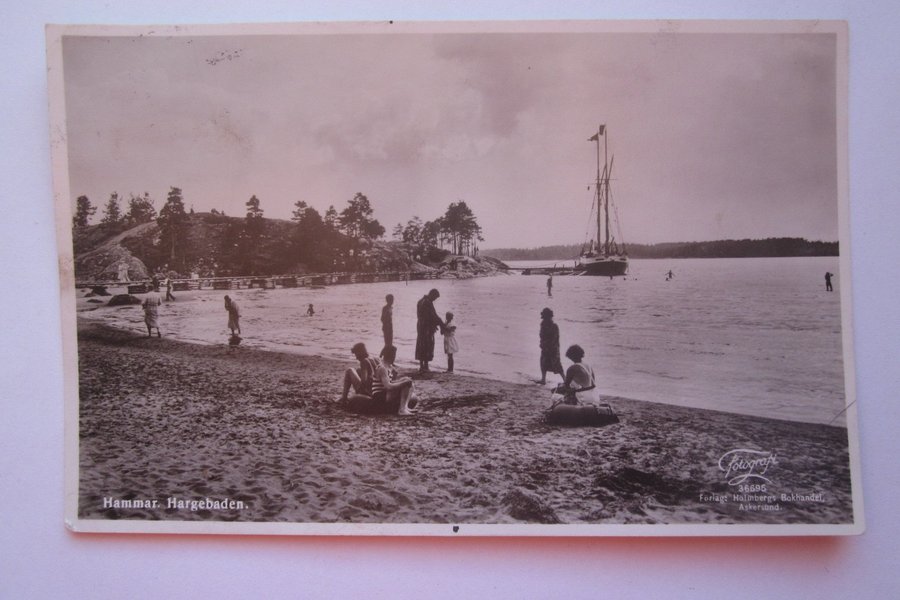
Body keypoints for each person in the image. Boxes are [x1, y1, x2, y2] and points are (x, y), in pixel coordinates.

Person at [372, 345, 417, 415]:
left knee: (408, 381)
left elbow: (390, 382)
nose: (394, 357)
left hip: (385, 392)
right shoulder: (382, 368)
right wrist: (403, 383)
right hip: (379, 396)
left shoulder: (389, 367)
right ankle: (401, 410)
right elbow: (388, 386)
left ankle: (405, 407)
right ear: (391, 355)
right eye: (394, 355)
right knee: (405, 384)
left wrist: (403, 380)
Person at [415, 288, 445, 373]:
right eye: (435, 298)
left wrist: (438, 323)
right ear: (432, 295)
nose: (435, 300)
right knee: (427, 345)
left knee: (421, 344)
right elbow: (433, 316)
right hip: (426, 327)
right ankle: (426, 366)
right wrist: (442, 324)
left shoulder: (420, 301)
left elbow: (426, 315)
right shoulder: (427, 302)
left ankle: (422, 366)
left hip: (420, 325)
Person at [538, 307, 564, 385]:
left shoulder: (554, 326)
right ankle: (543, 379)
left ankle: (565, 380)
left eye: (546, 317)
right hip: (545, 347)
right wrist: (542, 344)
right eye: (544, 317)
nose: (545, 319)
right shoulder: (543, 325)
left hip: (553, 348)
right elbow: (541, 336)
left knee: (557, 364)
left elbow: (554, 338)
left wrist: (548, 346)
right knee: (543, 363)